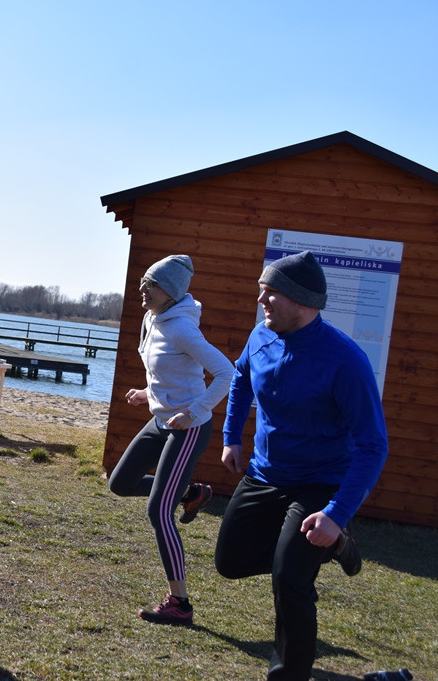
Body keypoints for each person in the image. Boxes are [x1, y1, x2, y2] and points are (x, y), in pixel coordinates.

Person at [214, 251, 388, 680]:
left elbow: (372, 446)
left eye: (270, 293)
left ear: (303, 301)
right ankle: (337, 546)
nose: (262, 300)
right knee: (229, 561)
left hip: (321, 481)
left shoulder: (345, 361)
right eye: (261, 290)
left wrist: (335, 513)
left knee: (290, 577)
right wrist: (231, 436)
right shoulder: (261, 336)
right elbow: (240, 377)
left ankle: (289, 671)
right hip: (265, 472)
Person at [107, 254, 233, 625]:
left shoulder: (182, 329)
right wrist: (149, 392)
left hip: (188, 428)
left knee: (158, 511)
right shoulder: (153, 318)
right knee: (121, 483)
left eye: (152, 285)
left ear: (171, 292)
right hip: (161, 419)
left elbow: (226, 373)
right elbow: (168, 371)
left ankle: (180, 603)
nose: (143, 289)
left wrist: (192, 412)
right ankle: (191, 493)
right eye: (144, 282)